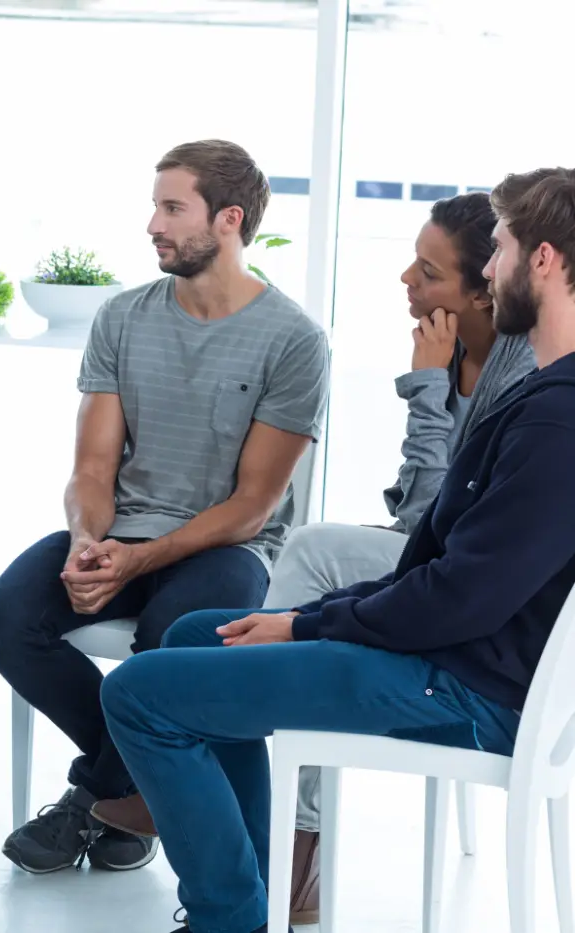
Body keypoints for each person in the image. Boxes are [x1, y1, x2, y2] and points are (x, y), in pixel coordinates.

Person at [97, 166, 575, 933]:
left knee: (137, 692)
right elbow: (431, 553)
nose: (491, 267)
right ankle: (256, 892)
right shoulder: (539, 394)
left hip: (463, 685)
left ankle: (228, 919)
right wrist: (318, 614)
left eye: (504, 248)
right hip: (453, 658)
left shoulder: (557, 419)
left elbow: (458, 593)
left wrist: (307, 623)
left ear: (544, 261)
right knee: (198, 636)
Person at [0, 139, 331, 876]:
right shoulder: (123, 317)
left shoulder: (294, 340)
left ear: (228, 220)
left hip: (228, 550)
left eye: (172, 208)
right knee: (4, 618)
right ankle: (135, 780)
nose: (152, 225)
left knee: (175, 636)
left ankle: (91, 798)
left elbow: (252, 508)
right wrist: (86, 540)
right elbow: (93, 467)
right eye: (155, 205)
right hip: (123, 529)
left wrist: (138, 559)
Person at [267, 192, 535, 924]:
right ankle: (284, 815)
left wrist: (425, 391)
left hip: (480, 603)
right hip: (445, 568)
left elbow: (427, 526)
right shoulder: (455, 352)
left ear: (487, 287)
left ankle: (291, 827)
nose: (405, 283)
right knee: (311, 561)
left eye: (428, 272)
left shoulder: (522, 372)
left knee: (311, 552)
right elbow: (416, 519)